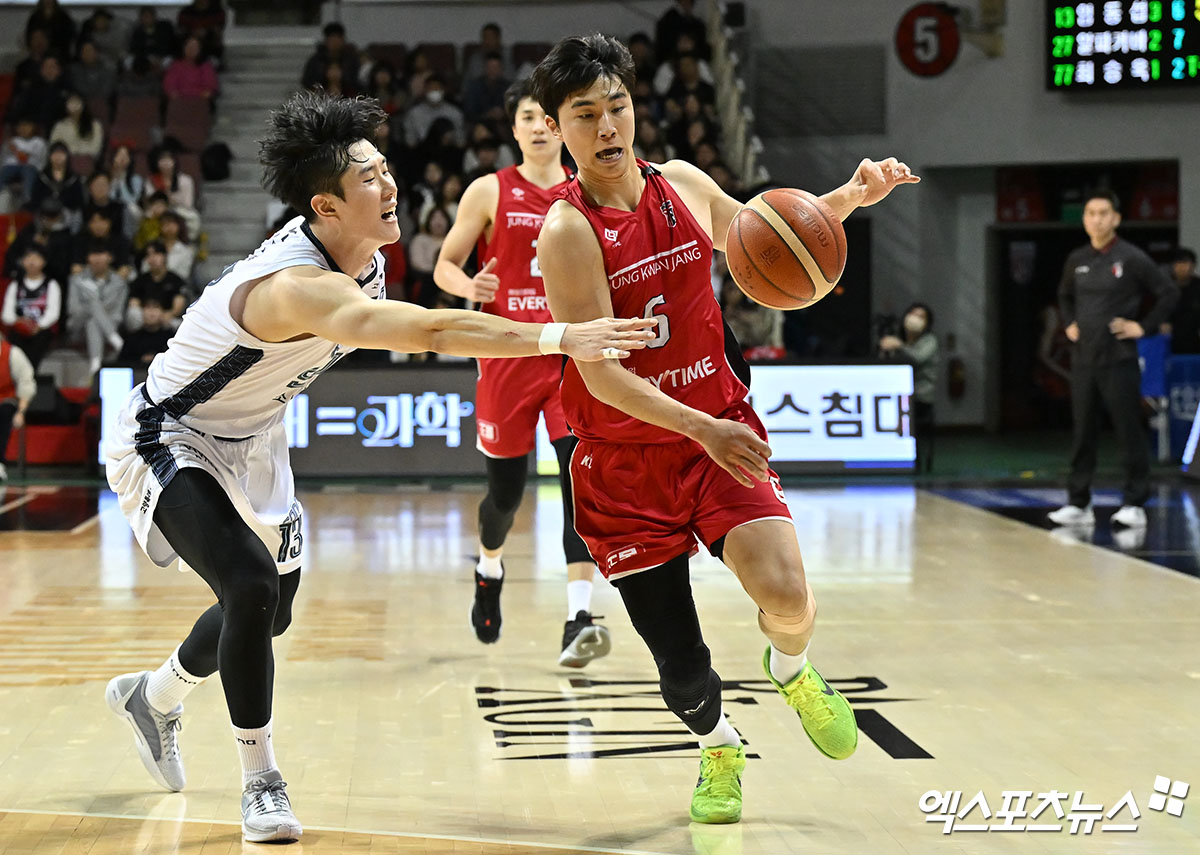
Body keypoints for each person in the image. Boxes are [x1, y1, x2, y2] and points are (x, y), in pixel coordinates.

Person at [102, 89, 653, 844]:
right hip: (171, 432)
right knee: (250, 586)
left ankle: (155, 696)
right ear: (325, 207)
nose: (391, 184)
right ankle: (261, 781)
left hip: (256, 437)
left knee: (268, 612)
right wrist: (559, 336)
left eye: (386, 168)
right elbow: (432, 331)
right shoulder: (298, 285)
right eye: (369, 178)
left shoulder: (363, 256)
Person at [529, 34, 918, 824]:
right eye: (586, 115)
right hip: (625, 462)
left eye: (617, 106)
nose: (607, 126)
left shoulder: (680, 183)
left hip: (718, 433)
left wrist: (847, 197)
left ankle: (793, 667)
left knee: (787, 593)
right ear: (559, 128)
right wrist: (701, 427)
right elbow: (600, 374)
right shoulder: (566, 232)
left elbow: (762, 243)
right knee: (683, 669)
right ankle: (719, 745)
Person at [434, 79, 609, 665]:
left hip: (568, 357)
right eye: (526, 117)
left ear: (560, 127)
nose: (537, 127)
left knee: (579, 484)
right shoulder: (489, 190)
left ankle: (578, 617)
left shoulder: (586, 190)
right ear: (514, 129)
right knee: (505, 498)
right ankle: (489, 567)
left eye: (545, 117)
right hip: (507, 357)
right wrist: (469, 286)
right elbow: (444, 266)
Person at [1049, 190, 1178, 529]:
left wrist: (1144, 327)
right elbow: (1064, 295)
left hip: (1119, 358)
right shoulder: (1077, 259)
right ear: (1084, 219)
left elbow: (1168, 292)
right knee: (1083, 432)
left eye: (1104, 213)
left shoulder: (1131, 257)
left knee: (1128, 430)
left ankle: (1134, 503)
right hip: (1084, 359)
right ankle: (1079, 502)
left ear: (1116, 218)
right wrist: (1070, 323)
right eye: (1091, 213)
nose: (1097, 219)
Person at [879, 302, 938, 473]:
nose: (914, 319)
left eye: (920, 317)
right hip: (896, 393)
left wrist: (899, 346)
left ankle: (916, 461)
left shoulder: (929, 341)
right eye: (912, 314)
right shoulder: (899, 338)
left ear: (927, 323)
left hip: (920, 395)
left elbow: (916, 359)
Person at [67, 243, 127, 375]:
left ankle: (95, 363)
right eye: (94, 254)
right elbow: (73, 309)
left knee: (93, 322)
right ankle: (115, 340)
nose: (97, 259)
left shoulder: (119, 281)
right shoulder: (77, 279)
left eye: (101, 254)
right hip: (78, 324)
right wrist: (95, 309)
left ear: (110, 257)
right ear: (88, 258)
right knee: (92, 304)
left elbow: (118, 313)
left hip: (110, 323)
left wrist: (100, 319)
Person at [1, 244, 62, 369]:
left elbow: (53, 313)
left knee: (38, 343)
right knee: (14, 342)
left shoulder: (51, 284)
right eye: (28, 257)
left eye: (36, 258)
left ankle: (31, 373)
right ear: (22, 261)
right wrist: (19, 322)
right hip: (19, 328)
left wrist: (38, 326)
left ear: (44, 262)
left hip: (41, 329)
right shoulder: (16, 285)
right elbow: (6, 314)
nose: (32, 262)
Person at [0, 332, 36, 482]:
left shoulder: (12, 354)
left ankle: (0, 463)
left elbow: (26, 382)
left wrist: (21, 411)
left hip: (6, 401)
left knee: (3, 413)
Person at [1162, 248, 1200, 354]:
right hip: (1170, 339)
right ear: (1173, 265)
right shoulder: (1165, 287)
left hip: (1195, 338)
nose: (1184, 267)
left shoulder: (1198, 286)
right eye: (1180, 263)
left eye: (1188, 263)